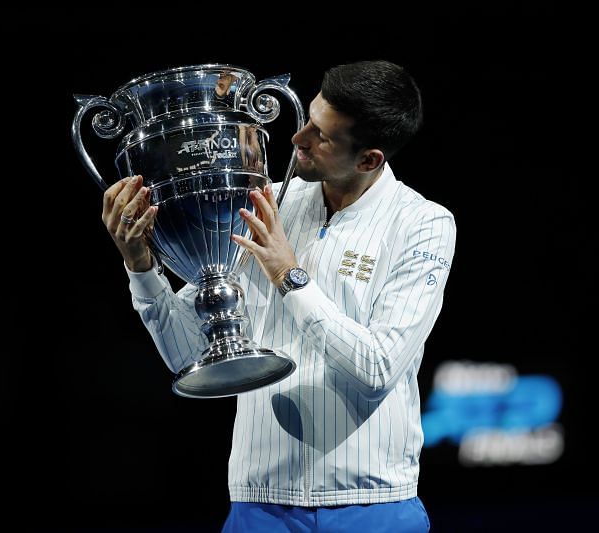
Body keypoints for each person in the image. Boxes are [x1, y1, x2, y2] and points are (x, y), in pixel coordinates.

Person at [102, 60, 456, 532]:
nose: (298, 138)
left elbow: (377, 368)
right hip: (257, 505)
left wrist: (289, 275)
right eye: (308, 118)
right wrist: (141, 266)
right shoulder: (267, 201)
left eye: (321, 136)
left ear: (369, 159)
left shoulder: (423, 224)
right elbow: (189, 353)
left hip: (372, 506)